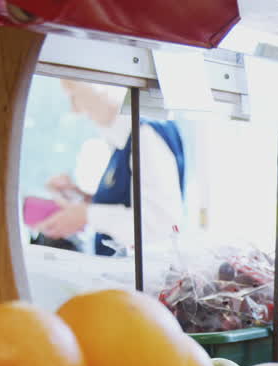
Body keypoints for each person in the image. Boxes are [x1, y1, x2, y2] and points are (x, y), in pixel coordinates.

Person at [37, 79, 186, 257]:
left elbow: (158, 224)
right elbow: (127, 201)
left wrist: (86, 215)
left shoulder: (145, 136)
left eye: (74, 96)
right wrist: (80, 196)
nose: (74, 109)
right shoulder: (126, 139)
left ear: (100, 87)